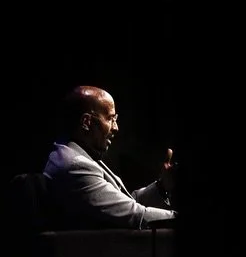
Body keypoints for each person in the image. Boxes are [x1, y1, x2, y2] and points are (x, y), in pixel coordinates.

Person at [42, 85, 177, 229]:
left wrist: (162, 186)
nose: (116, 127)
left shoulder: (74, 154)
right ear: (86, 122)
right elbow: (134, 214)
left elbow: (125, 203)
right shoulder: (75, 166)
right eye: (111, 118)